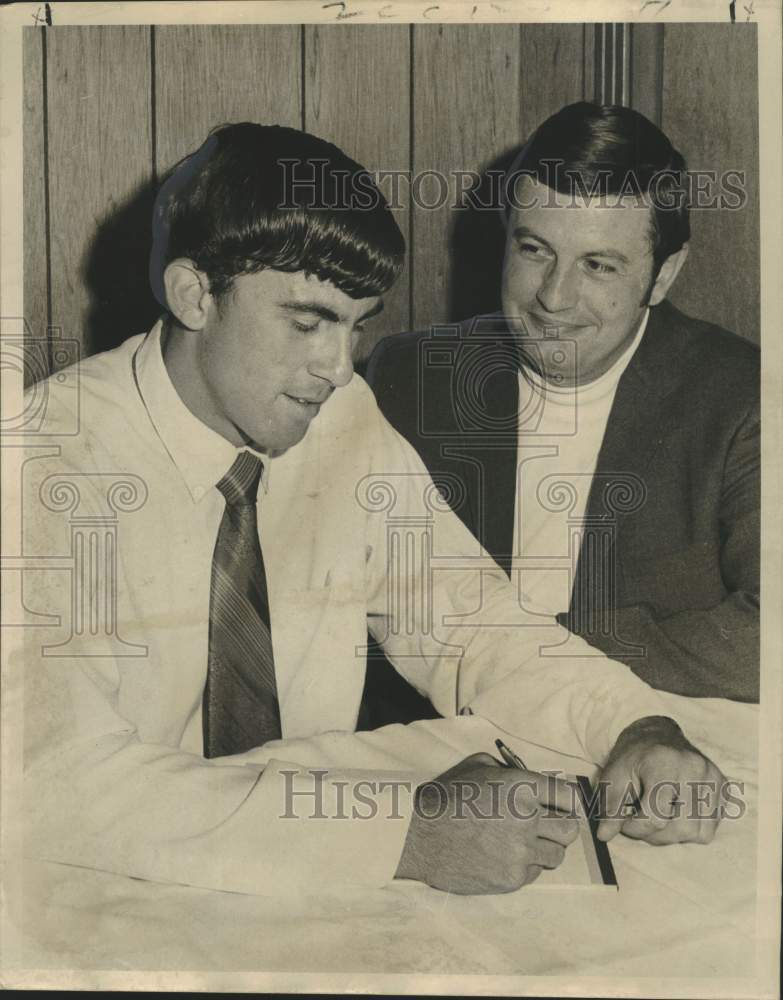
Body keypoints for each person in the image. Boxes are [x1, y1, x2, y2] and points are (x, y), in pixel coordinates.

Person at [21, 122, 726, 899]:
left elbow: (468, 620)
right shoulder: (41, 467)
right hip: (95, 895)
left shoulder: (339, 417)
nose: (337, 367)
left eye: (356, 325)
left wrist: (632, 727)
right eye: (307, 321)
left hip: (301, 892)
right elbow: (55, 789)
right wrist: (400, 833)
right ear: (195, 294)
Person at [366, 102, 759, 718]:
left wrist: (532, 655)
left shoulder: (744, 400)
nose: (553, 297)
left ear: (663, 275)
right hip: (448, 753)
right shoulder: (410, 376)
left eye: (598, 265)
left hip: (657, 745)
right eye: (534, 249)